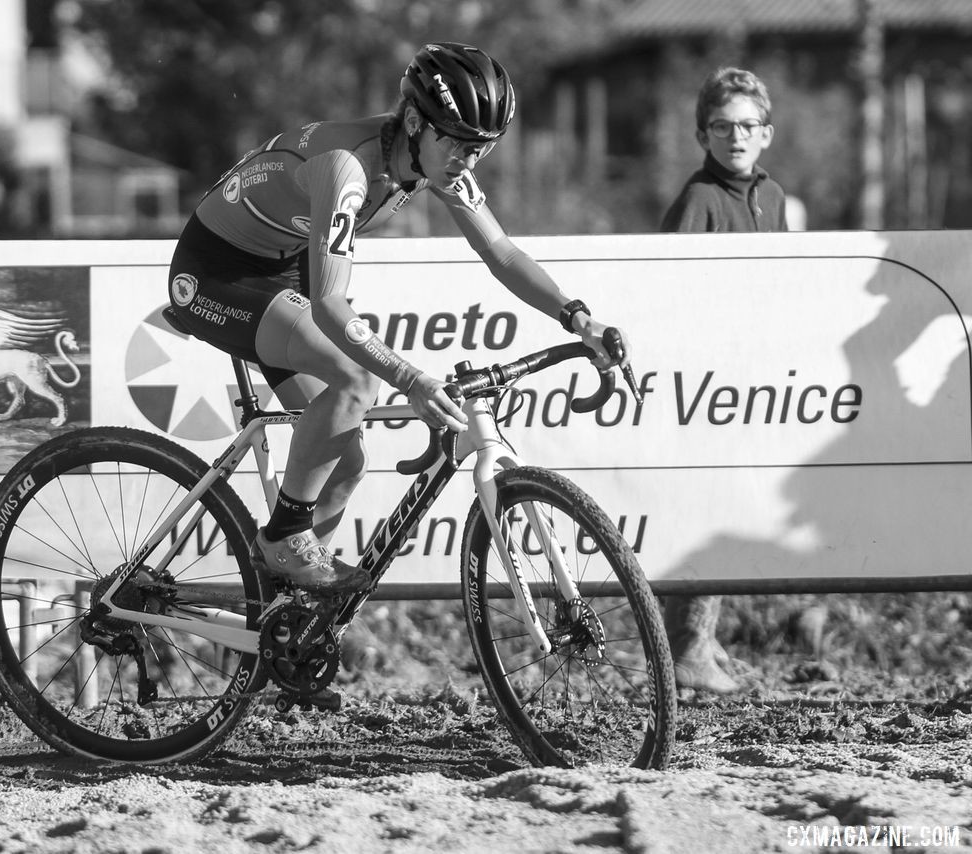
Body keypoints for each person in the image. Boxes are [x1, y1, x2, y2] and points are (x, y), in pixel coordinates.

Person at [168, 42, 630, 594]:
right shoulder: (348, 168)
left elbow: (501, 252)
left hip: (283, 265)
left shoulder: (434, 159)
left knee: (344, 461)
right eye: (459, 145)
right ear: (414, 121)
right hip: (218, 273)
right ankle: (284, 539)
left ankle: (291, 627)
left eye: (482, 149)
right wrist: (409, 378)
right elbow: (330, 305)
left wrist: (577, 317)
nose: (468, 161)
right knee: (354, 380)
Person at [661, 67, 788, 692]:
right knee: (699, 509)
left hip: (750, 379)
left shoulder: (774, 196)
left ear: (766, 133)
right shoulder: (698, 201)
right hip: (700, 385)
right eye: (721, 126)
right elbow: (672, 298)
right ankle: (684, 649)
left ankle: (703, 644)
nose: (734, 137)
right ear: (701, 134)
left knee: (728, 508)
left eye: (746, 126)